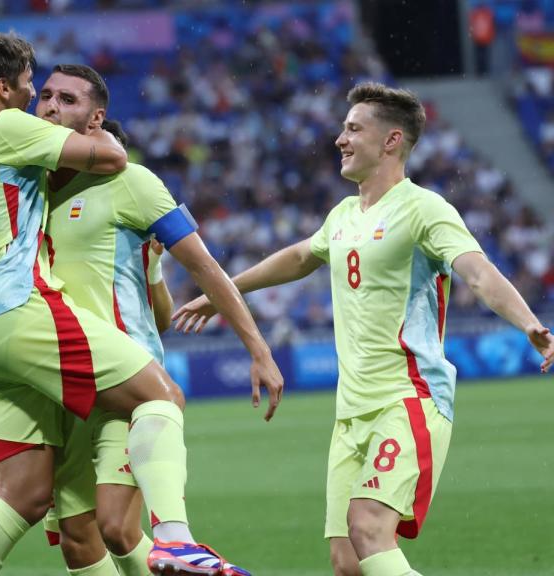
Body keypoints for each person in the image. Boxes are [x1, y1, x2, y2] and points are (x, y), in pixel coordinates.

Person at [0, 29, 283, 576]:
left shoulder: (130, 182)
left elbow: (195, 273)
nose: (43, 104)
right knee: (71, 532)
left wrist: (256, 346)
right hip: (54, 364)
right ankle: (174, 546)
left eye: (64, 99)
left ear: (96, 119)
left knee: (116, 527)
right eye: (41, 92)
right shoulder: (33, 179)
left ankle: (176, 540)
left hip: (97, 363)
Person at [172, 81, 554, 576]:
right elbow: (298, 257)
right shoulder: (344, 214)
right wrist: (223, 291)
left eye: (353, 128)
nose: (339, 138)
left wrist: (530, 323)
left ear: (391, 141)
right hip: (350, 411)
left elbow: (477, 271)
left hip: (407, 397)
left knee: (369, 526)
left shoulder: (425, 209)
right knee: (347, 562)